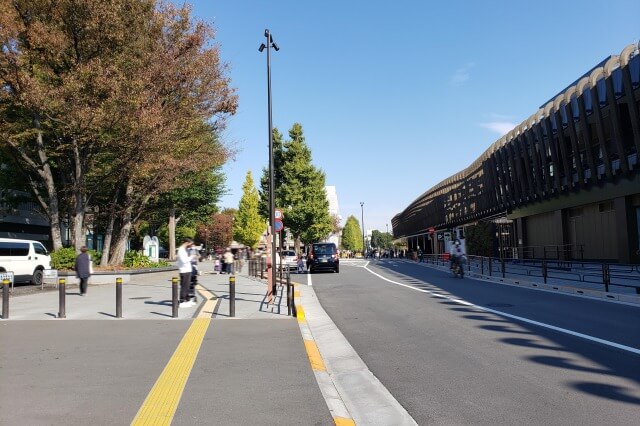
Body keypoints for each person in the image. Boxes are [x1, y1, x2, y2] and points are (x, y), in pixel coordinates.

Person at [177, 238, 194, 308]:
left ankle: (187, 300)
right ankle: (182, 301)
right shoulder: (181, 250)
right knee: (184, 287)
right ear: (187, 242)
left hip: (187, 270)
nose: (191, 245)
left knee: (187, 286)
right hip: (184, 271)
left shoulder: (184, 249)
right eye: (190, 244)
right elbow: (184, 260)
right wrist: (191, 257)